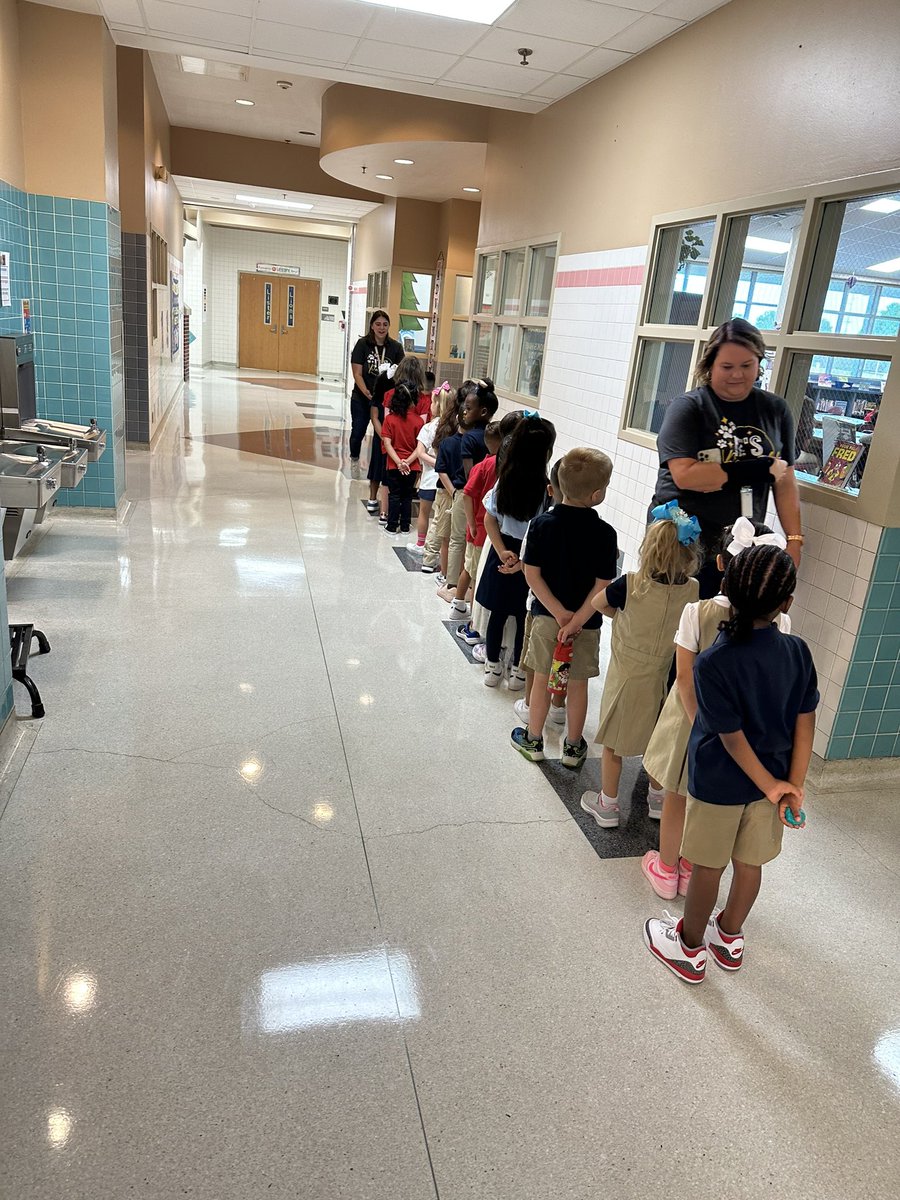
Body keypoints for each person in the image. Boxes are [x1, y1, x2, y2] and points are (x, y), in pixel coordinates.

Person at [644, 544, 818, 984]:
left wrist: (777, 785)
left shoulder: (715, 661)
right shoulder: (797, 652)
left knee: (707, 866)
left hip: (720, 780)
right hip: (772, 782)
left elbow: (730, 736)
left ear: (726, 590)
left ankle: (687, 947)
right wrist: (789, 785)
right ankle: (730, 936)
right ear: (787, 604)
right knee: (750, 863)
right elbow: (804, 723)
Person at [640, 518, 789, 900]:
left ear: (721, 565)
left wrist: (700, 726)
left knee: (675, 796)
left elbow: (685, 679)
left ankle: (667, 868)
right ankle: (691, 868)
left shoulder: (697, 611)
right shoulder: (781, 621)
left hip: (688, 726)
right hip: (740, 731)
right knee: (704, 802)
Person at [650, 318, 803, 597]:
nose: (737, 375)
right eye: (727, 367)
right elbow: (686, 475)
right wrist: (761, 469)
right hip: (682, 539)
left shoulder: (775, 410)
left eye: (747, 366)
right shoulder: (689, 408)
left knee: (720, 625)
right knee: (670, 622)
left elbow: (785, 479)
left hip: (740, 542)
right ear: (709, 366)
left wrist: (794, 540)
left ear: (759, 363)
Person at [579, 516, 699, 820]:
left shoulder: (631, 583)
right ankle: (657, 799)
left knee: (613, 744)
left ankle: (608, 804)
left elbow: (597, 602)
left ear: (649, 551)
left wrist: (620, 616)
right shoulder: (692, 591)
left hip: (626, 676)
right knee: (657, 741)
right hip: (663, 675)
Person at [513, 447, 617, 767]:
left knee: (543, 678)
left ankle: (533, 739)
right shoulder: (605, 534)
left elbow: (532, 574)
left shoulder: (542, 524)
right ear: (597, 494)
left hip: (547, 619)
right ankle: (572, 747)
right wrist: (577, 621)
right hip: (586, 624)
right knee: (578, 684)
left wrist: (559, 613)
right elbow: (603, 586)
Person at [477, 415, 556, 689]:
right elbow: (545, 530)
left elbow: (489, 518)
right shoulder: (547, 487)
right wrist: (522, 562)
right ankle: (518, 671)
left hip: (505, 552)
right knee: (524, 617)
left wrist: (501, 552)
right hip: (530, 558)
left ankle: (492, 667)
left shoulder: (505, 479)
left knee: (498, 614)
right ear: (546, 453)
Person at [512, 459, 568, 730]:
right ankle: (558, 707)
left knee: (536, 661)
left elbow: (527, 567)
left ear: (550, 490)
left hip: (541, 608)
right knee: (564, 660)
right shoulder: (601, 529)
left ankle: (529, 706)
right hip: (577, 615)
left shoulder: (540, 524)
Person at [438, 380, 499, 604]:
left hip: (468, 495)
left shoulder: (469, 439)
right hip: (490, 499)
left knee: (457, 540)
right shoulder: (496, 435)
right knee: (477, 546)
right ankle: (472, 584)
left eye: (469, 407)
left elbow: (470, 476)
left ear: (483, 411)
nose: (464, 409)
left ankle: (453, 585)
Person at [450, 420, 502, 629]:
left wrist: (471, 524)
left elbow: (468, 495)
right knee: (477, 576)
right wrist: (472, 523)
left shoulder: (482, 465)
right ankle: (473, 622)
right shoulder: (498, 466)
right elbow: (467, 496)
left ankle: (458, 604)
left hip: (476, 528)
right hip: (483, 530)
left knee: (469, 569)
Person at [421, 383, 474, 578]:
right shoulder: (471, 435)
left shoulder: (446, 428)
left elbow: (439, 463)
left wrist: (452, 491)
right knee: (454, 536)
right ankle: (450, 575)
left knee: (446, 534)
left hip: (447, 489)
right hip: (457, 490)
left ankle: (445, 574)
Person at [349, 311, 404, 483]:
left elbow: (400, 374)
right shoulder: (362, 344)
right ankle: (354, 458)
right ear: (372, 326)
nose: (381, 328)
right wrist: (366, 391)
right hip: (362, 397)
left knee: (384, 434)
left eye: (385, 324)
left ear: (389, 326)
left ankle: (381, 468)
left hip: (385, 401)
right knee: (358, 431)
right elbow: (357, 373)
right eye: (378, 324)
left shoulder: (395, 347)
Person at [407, 384, 446, 555]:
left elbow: (420, 453)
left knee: (424, 512)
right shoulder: (452, 428)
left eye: (432, 402)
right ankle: (436, 547)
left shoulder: (428, 428)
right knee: (439, 516)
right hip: (445, 482)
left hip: (429, 479)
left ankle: (421, 544)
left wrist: (436, 463)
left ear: (437, 405)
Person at [381, 383, 422, 536]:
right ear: (413, 400)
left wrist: (399, 462)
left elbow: (387, 443)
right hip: (413, 467)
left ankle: (391, 526)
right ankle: (405, 526)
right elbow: (419, 448)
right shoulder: (419, 421)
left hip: (393, 465)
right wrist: (407, 462)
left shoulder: (389, 419)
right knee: (407, 495)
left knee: (394, 494)